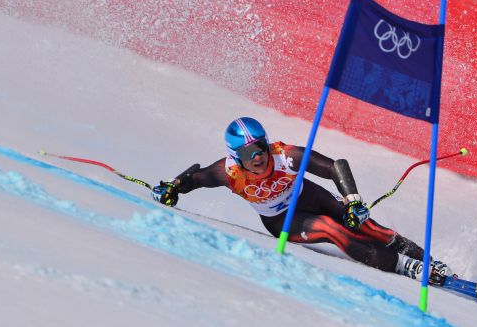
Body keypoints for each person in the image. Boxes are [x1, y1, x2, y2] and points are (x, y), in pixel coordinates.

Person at [152, 116, 452, 285]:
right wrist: (172, 187)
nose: (257, 158)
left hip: (311, 195)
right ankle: (406, 267)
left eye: (259, 148)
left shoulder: (285, 155)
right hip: (282, 219)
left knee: (370, 227)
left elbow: (334, 166)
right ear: (235, 157)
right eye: (248, 154)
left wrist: (352, 202)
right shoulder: (229, 173)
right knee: (332, 230)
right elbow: (196, 178)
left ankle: (431, 262)